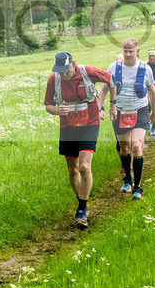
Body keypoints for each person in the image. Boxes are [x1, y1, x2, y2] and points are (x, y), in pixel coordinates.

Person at [44, 51, 114, 229]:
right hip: (68, 128)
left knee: (84, 166)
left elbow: (111, 80)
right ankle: (82, 200)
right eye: (59, 70)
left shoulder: (87, 72)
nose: (63, 74)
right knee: (72, 169)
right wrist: (57, 111)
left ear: (73, 63)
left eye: (66, 69)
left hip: (89, 124)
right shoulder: (54, 79)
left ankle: (81, 210)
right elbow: (48, 106)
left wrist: (108, 105)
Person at [110, 38, 155, 199]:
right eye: (125, 51)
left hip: (140, 110)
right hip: (121, 111)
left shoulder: (145, 68)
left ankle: (137, 187)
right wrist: (105, 107)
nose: (128, 54)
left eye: (131, 51)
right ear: (122, 51)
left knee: (136, 146)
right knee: (124, 148)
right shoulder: (114, 67)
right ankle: (128, 179)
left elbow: (151, 91)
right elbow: (104, 88)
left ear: (137, 52)